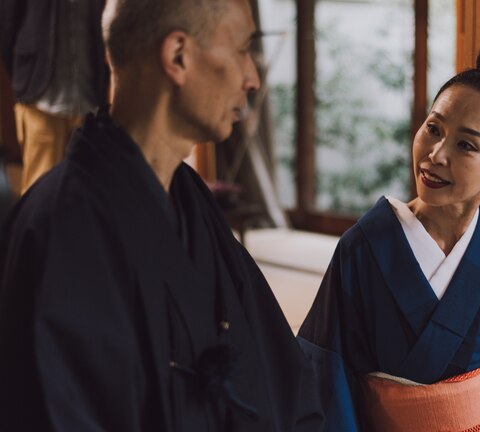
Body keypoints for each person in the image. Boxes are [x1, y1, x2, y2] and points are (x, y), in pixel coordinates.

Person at [0, 0, 322, 431]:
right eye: (243, 49)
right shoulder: (58, 229)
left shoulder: (191, 199)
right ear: (178, 56)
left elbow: (285, 378)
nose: (253, 77)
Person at [298, 26, 480, 431]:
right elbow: (323, 371)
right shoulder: (363, 249)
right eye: (433, 129)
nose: (435, 155)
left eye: (466, 145)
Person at [0, 0, 109, 194]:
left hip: (89, 98)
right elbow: (7, 21)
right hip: (40, 97)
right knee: (39, 189)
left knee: (87, 191)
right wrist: (24, 74)